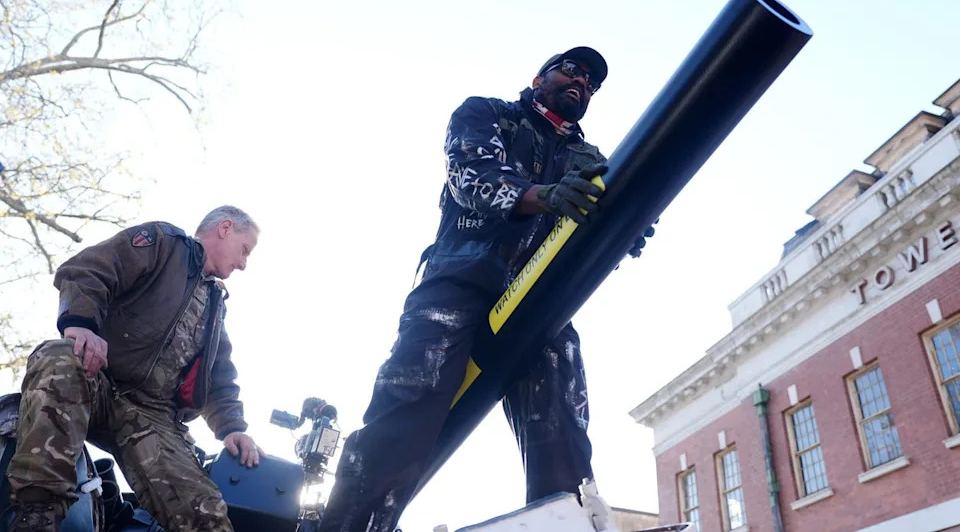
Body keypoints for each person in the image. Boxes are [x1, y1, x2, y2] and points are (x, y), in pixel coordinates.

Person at [319, 47, 654, 532]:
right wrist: (543, 196)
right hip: (462, 274)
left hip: (543, 291)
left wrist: (627, 230)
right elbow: (471, 177)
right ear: (539, 77)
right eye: (571, 70)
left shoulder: (593, 160)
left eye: (591, 81)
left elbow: (602, 225)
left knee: (561, 425)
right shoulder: (488, 113)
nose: (582, 80)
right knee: (408, 407)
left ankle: (565, 524)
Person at [5, 205, 264, 532]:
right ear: (226, 228)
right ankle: (36, 517)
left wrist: (231, 427)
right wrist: (81, 325)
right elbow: (89, 270)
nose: (243, 264)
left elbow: (219, 378)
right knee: (60, 357)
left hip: (152, 416)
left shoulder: (215, 306)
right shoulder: (164, 244)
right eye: (245, 250)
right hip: (96, 378)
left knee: (206, 516)